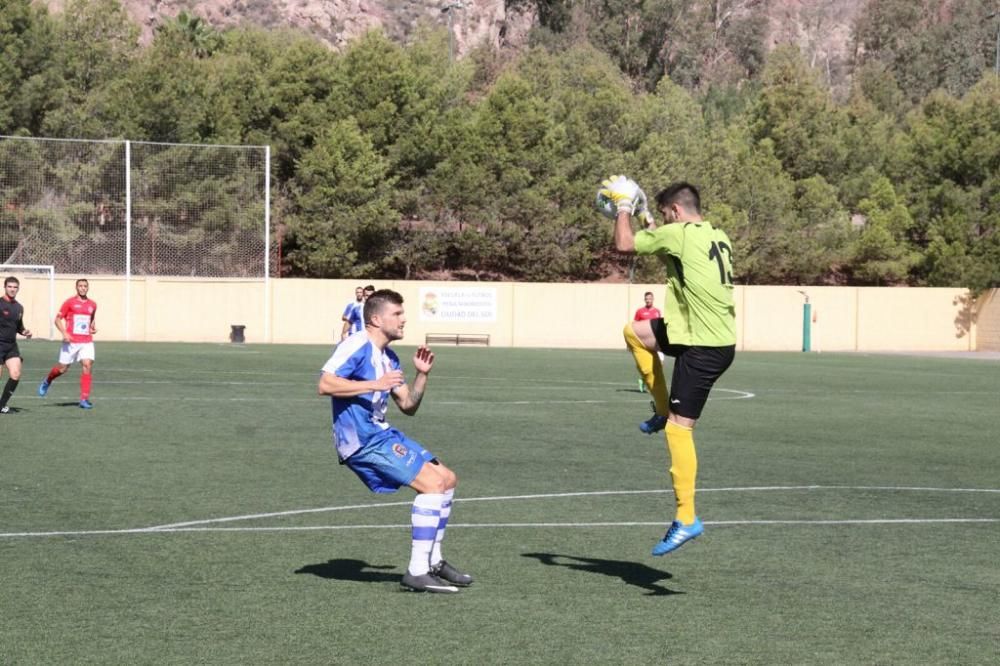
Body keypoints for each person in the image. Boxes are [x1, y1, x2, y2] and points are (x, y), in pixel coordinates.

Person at [601, 176, 736, 556]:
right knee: (635, 333)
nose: (665, 221)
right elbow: (668, 248)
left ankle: (687, 516)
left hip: (702, 345)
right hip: (700, 333)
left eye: (665, 214)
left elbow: (624, 245)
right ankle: (661, 407)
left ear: (676, 212)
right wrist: (647, 216)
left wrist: (624, 207)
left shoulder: (678, 236)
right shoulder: (716, 235)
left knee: (680, 432)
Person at [318, 289, 472, 593]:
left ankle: (434, 561)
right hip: (362, 441)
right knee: (432, 485)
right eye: (397, 314)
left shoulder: (388, 357)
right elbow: (325, 383)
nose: (404, 320)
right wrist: (374, 384)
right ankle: (416, 571)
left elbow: (408, 406)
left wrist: (421, 375)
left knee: (448, 478)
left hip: (382, 432)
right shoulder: (356, 344)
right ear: (376, 318)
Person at [38, 278, 98, 409]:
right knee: (62, 369)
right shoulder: (69, 303)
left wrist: (92, 327)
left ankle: (84, 399)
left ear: (88, 288)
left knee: (87, 365)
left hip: (86, 341)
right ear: (76, 288)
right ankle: (48, 380)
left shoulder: (92, 304)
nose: (83, 288)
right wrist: (64, 333)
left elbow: (91, 319)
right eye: (80, 286)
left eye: (85, 286)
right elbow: (57, 319)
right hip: (71, 341)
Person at [0, 277, 33, 414]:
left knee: (15, 373)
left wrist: (24, 331)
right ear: (5, 287)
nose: (12, 289)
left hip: (11, 345)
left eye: (15, 287)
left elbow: (18, 326)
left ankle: (1, 405)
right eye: (10, 286)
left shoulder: (19, 308)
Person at [633, 292, 663, 393]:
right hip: (645, 342)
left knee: (660, 363)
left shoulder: (657, 312)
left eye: (649, 298)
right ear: (644, 300)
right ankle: (647, 382)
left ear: (653, 299)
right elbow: (635, 326)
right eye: (646, 299)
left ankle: (644, 380)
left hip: (656, 342)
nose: (648, 300)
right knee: (648, 364)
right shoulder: (640, 312)